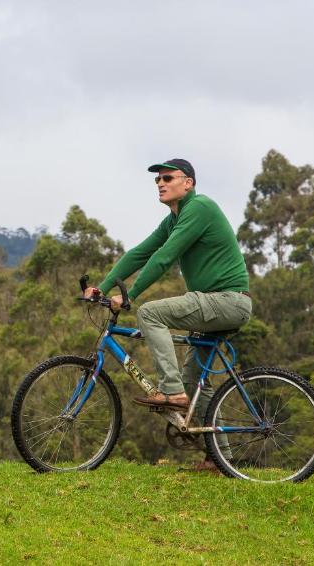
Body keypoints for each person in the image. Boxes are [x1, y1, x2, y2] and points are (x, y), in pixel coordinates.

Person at [84, 158, 251, 470]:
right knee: (194, 379)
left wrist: (129, 295)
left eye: (168, 178)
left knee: (150, 313)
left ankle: (171, 392)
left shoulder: (199, 208)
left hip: (227, 301)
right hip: (213, 303)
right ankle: (220, 460)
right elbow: (140, 253)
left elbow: (164, 258)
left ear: (187, 183)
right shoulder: (174, 219)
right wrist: (101, 289)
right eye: (157, 180)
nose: (160, 183)